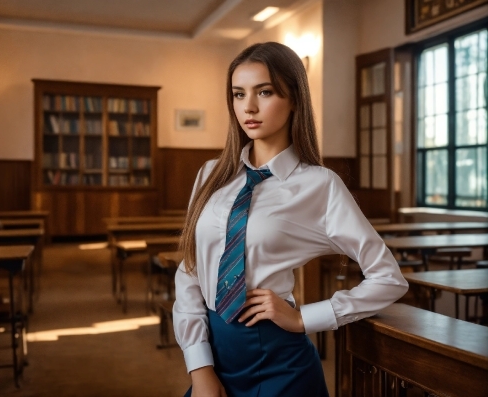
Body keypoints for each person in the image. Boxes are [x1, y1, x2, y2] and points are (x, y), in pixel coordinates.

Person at [173, 41, 408, 397]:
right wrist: (200, 367)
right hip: (215, 351)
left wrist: (305, 318)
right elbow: (190, 270)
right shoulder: (211, 175)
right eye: (238, 94)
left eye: (264, 92)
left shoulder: (320, 185)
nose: (248, 107)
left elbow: (388, 278)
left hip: (281, 364)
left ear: (294, 98)